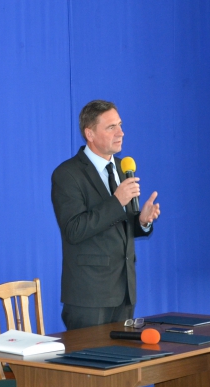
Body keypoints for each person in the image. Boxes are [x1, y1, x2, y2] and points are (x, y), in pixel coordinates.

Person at [51, 100, 160, 330]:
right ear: (89, 133)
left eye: (120, 125)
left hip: (125, 291)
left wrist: (142, 221)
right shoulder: (67, 174)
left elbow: (118, 226)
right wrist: (117, 201)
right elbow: (74, 229)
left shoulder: (122, 167)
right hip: (89, 296)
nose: (121, 132)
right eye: (111, 127)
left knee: (123, 354)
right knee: (90, 354)